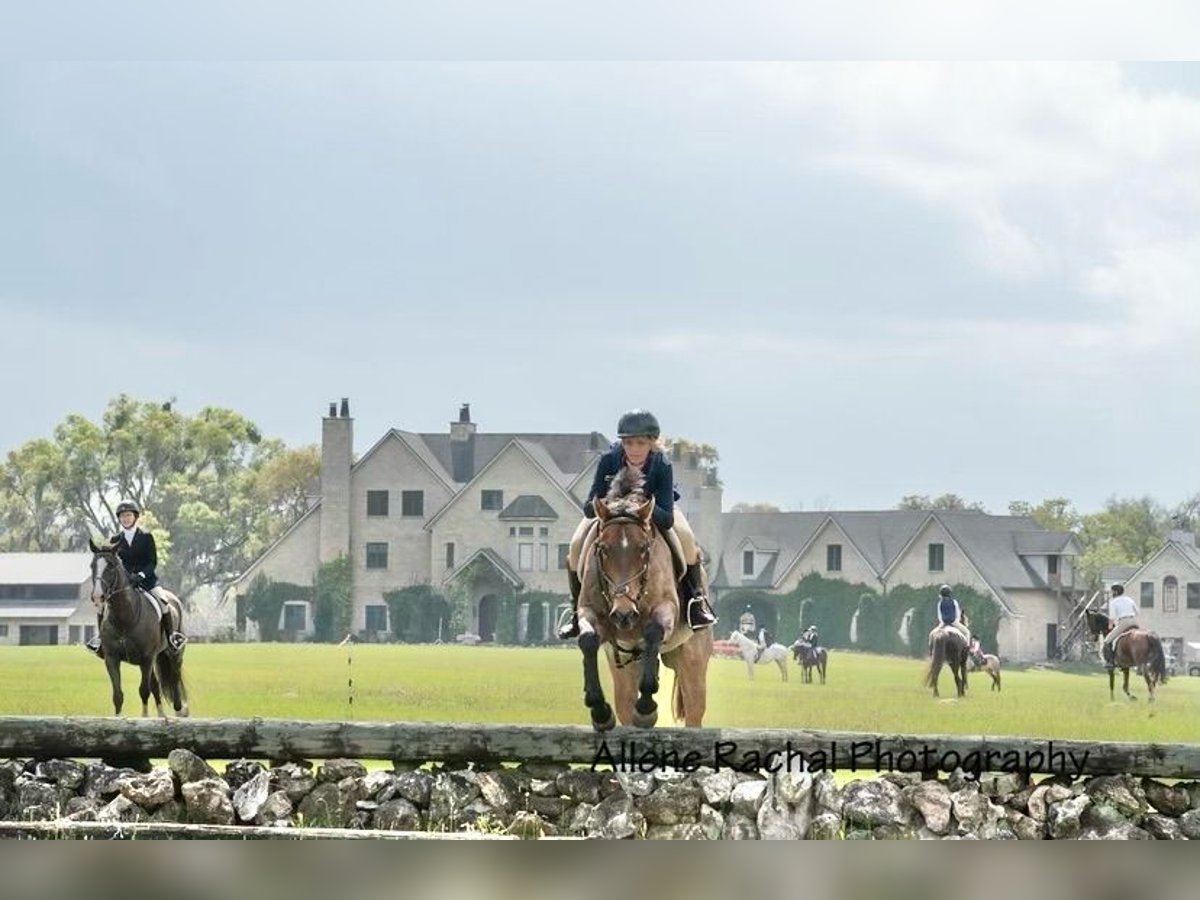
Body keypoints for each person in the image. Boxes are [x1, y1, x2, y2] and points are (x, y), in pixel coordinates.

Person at [557, 409, 718, 639]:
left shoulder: (662, 464)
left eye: (640, 443)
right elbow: (589, 503)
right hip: (613, 515)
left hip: (654, 511)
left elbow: (666, 516)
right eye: (629, 443)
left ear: (652, 442)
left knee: (687, 540)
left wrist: (638, 510)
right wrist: (609, 508)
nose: (634, 449)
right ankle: (576, 612)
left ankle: (696, 604)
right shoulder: (609, 460)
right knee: (575, 545)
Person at [86, 500, 187, 657]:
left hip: (147, 581)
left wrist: (140, 575)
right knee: (101, 606)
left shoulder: (146, 537)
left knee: (163, 601)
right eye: (122, 516)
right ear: (119, 519)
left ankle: (172, 636)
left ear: (135, 517)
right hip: (123, 584)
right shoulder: (114, 540)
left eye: (128, 515)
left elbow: (152, 561)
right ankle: (100, 640)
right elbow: (111, 563)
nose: (125, 519)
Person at [1101, 583, 1139, 668]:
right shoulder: (1129, 599)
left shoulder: (1113, 602)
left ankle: (1110, 662)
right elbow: (1137, 612)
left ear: (1115, 592)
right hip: (1134, 621)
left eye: (1112, 592)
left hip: (1124, 622)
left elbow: (1112, 618)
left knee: (1107, 641)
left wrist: (1110, 626)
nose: (1111, 593)